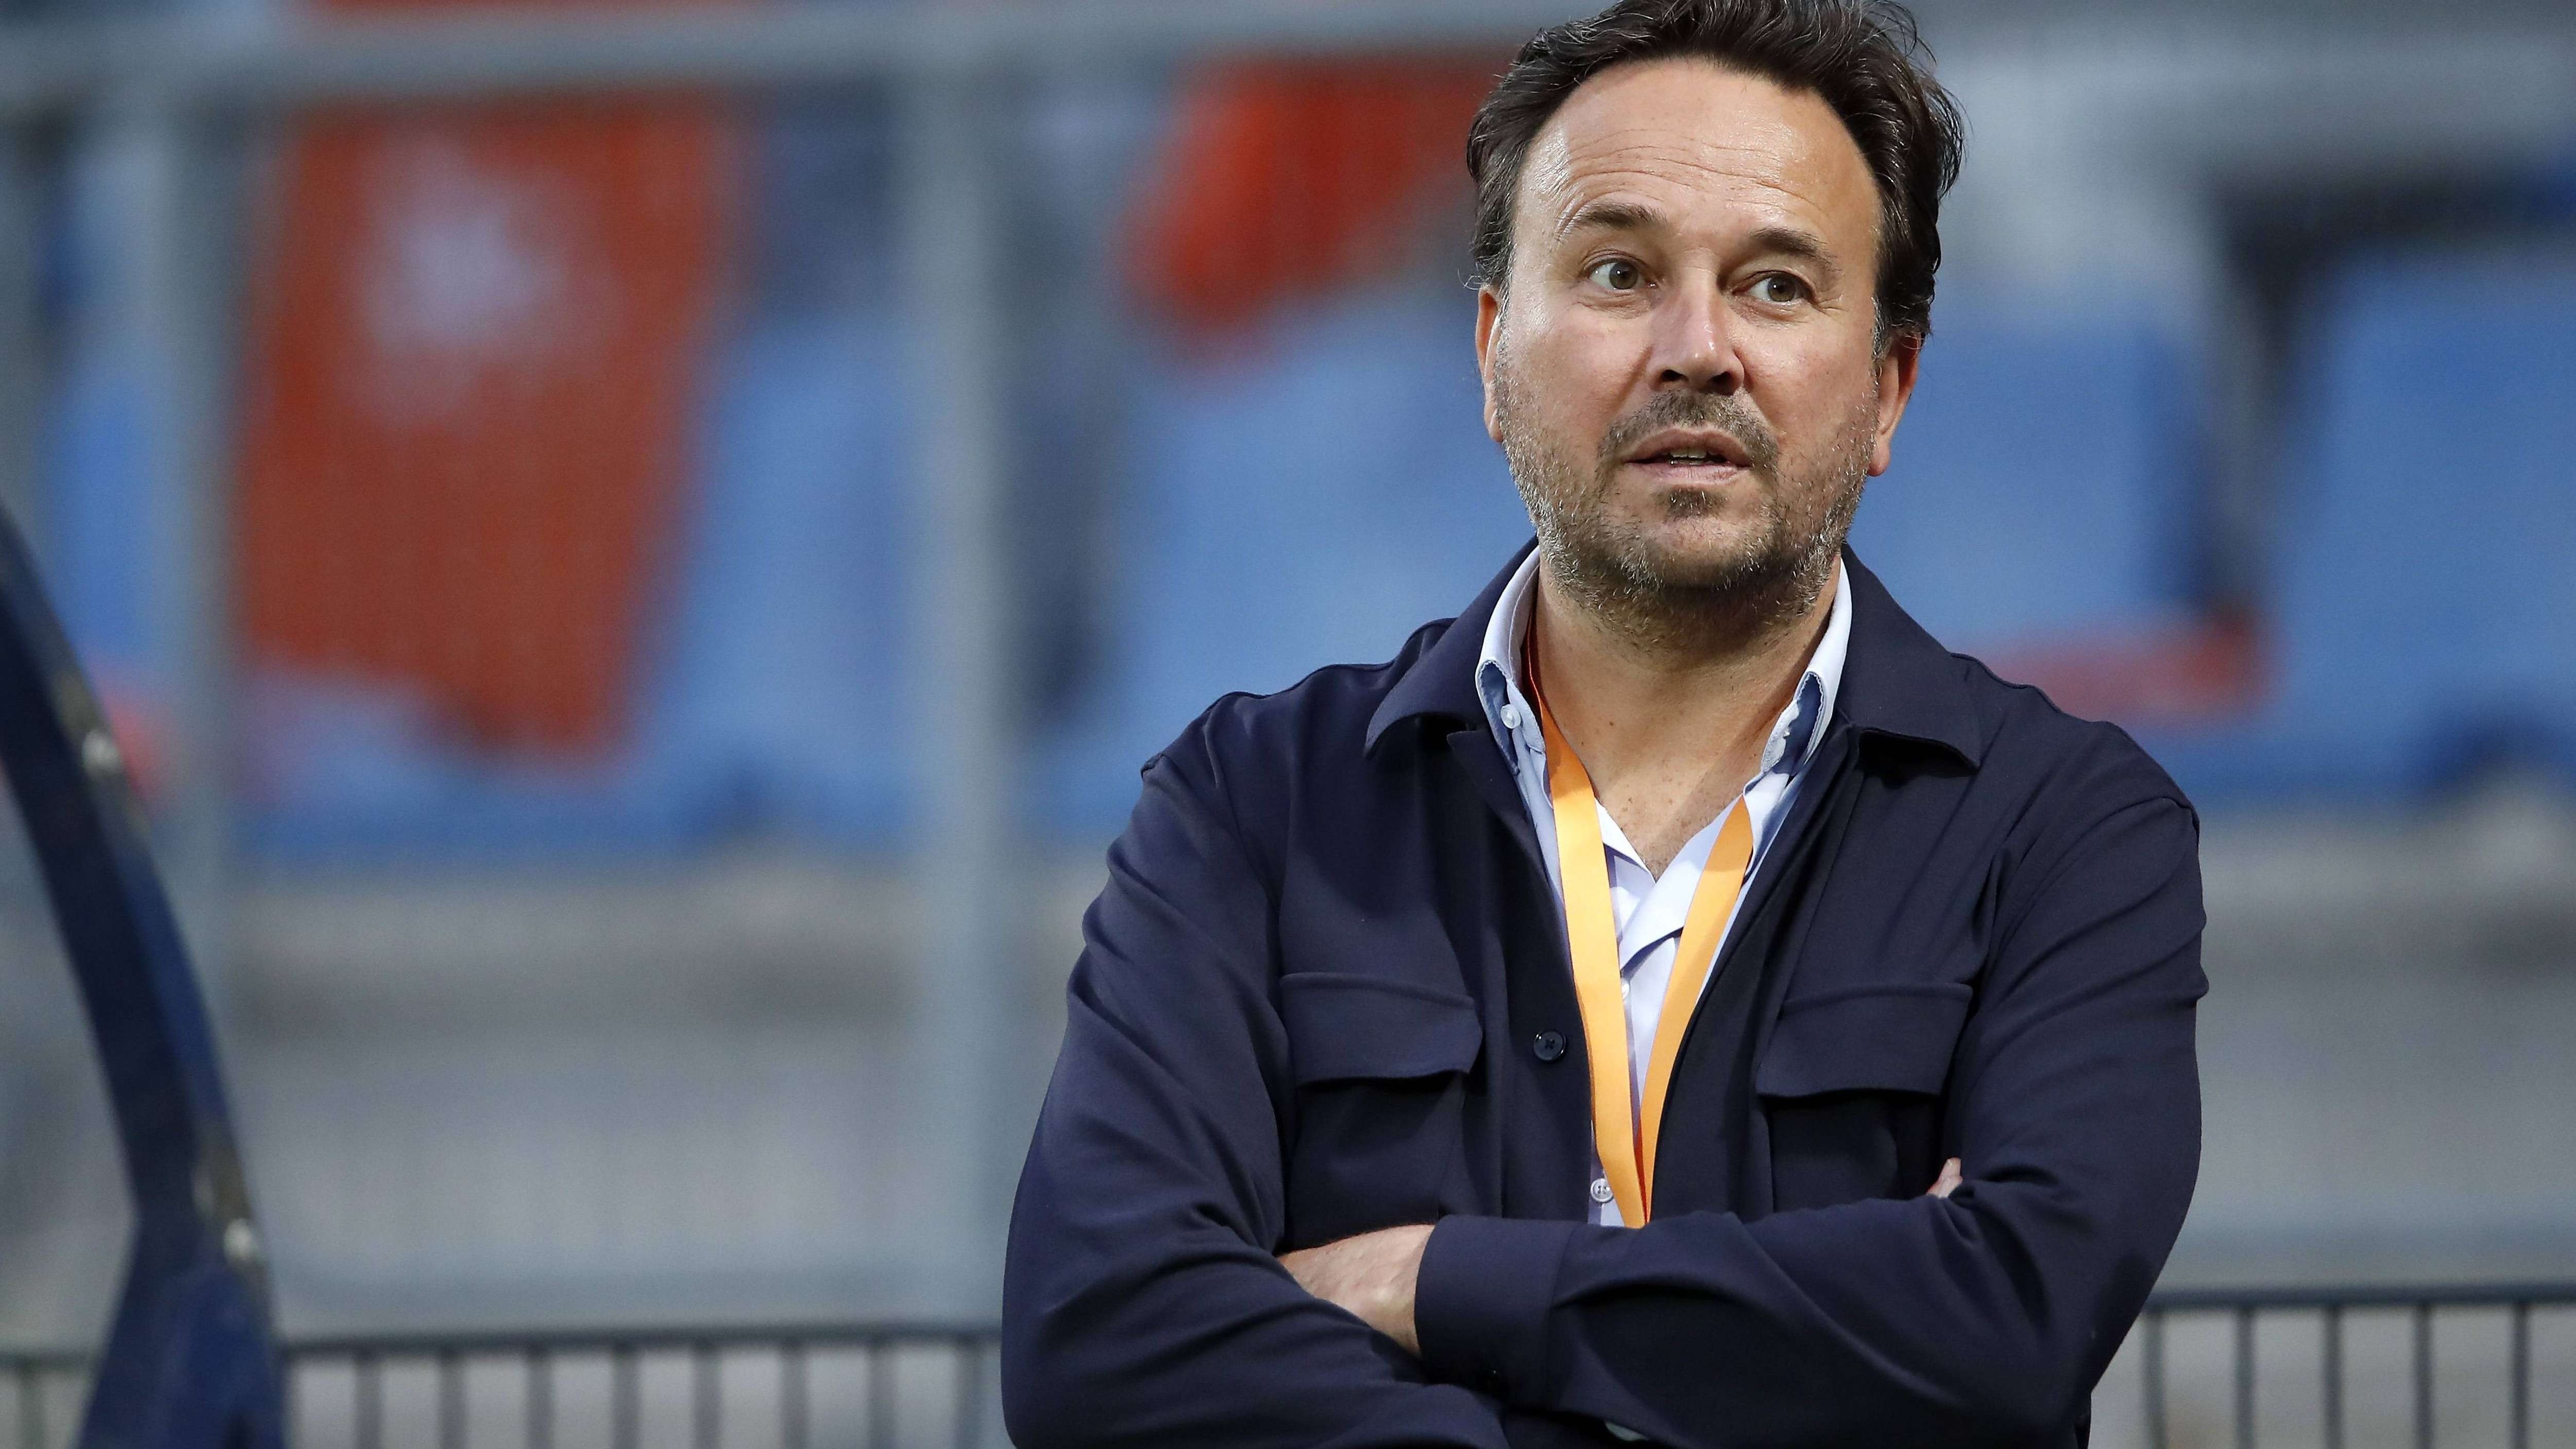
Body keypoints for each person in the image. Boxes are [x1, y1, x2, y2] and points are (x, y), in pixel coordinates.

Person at [1001, 1, 2205, 1443]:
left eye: (1775, 286)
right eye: (1620, 273)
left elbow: (2007, 1320)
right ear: (1493, 356)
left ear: (1888, 388)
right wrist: (1843, 1318)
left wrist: (1435, 1282)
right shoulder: (1252, 807)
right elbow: (1100, 1339)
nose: (1697, 350)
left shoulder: (2064, 832)